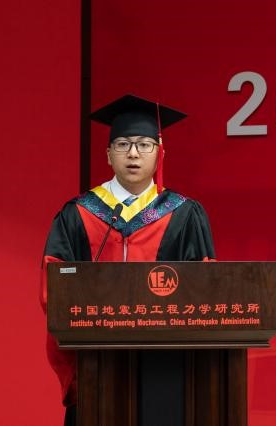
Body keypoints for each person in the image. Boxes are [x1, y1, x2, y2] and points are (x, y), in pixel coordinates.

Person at [39, 94, 216, 426]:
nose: (133, 153)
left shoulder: (184, 214)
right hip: (97, 368)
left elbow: (204, 289)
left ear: (159, 153)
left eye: (144, 145)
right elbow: (54, 290)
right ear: (109, 155)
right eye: (123, 145)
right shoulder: (77, 214)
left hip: (164, 371)